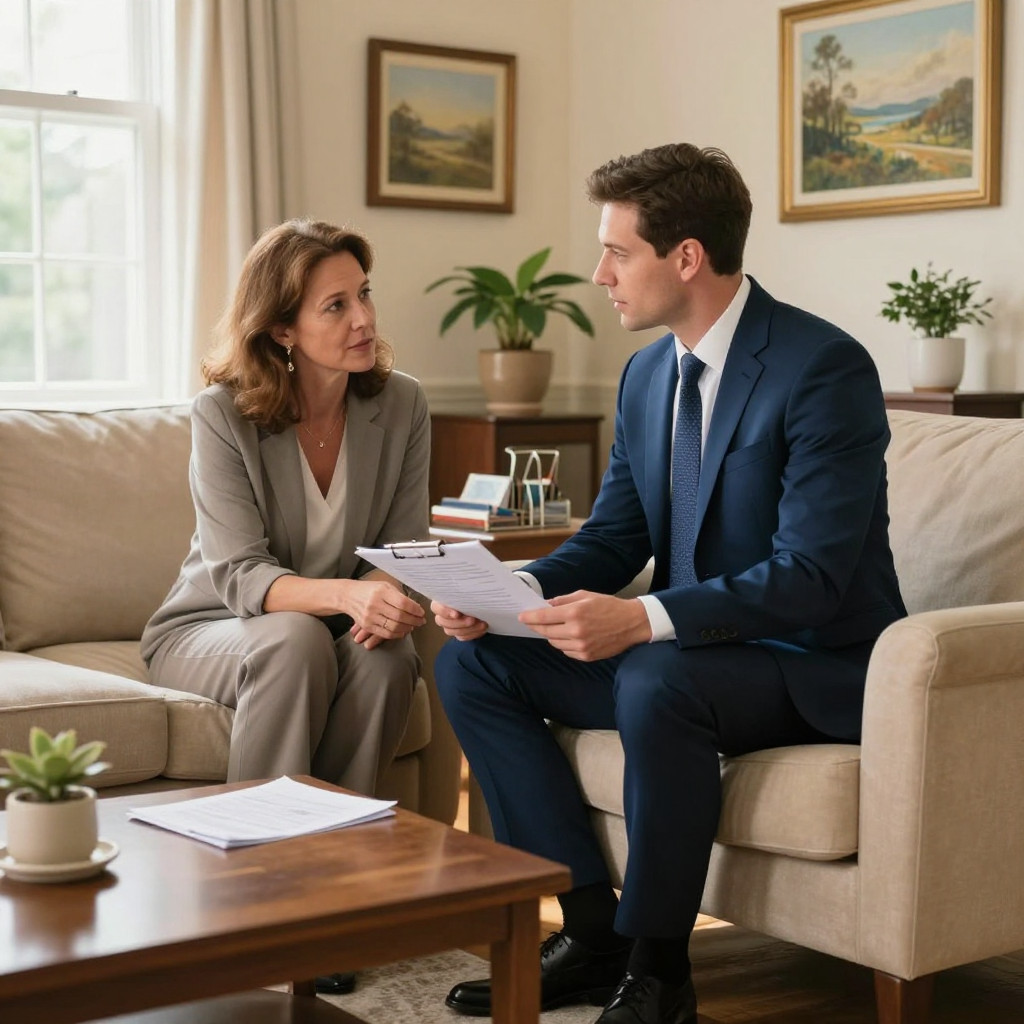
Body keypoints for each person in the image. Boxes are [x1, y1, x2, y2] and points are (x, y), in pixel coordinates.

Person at [431, 144, 906, 1024]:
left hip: (806, 662)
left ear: (686, 257)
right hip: (688, 657)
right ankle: (590, 929)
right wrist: (508, 590)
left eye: (617, 252)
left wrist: (642, 620)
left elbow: (811, 578)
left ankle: (661, 971)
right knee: (473, 663)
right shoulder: (649, 373)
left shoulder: (822, 368)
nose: (599, 273)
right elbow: (616, 535)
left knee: (658, 672)